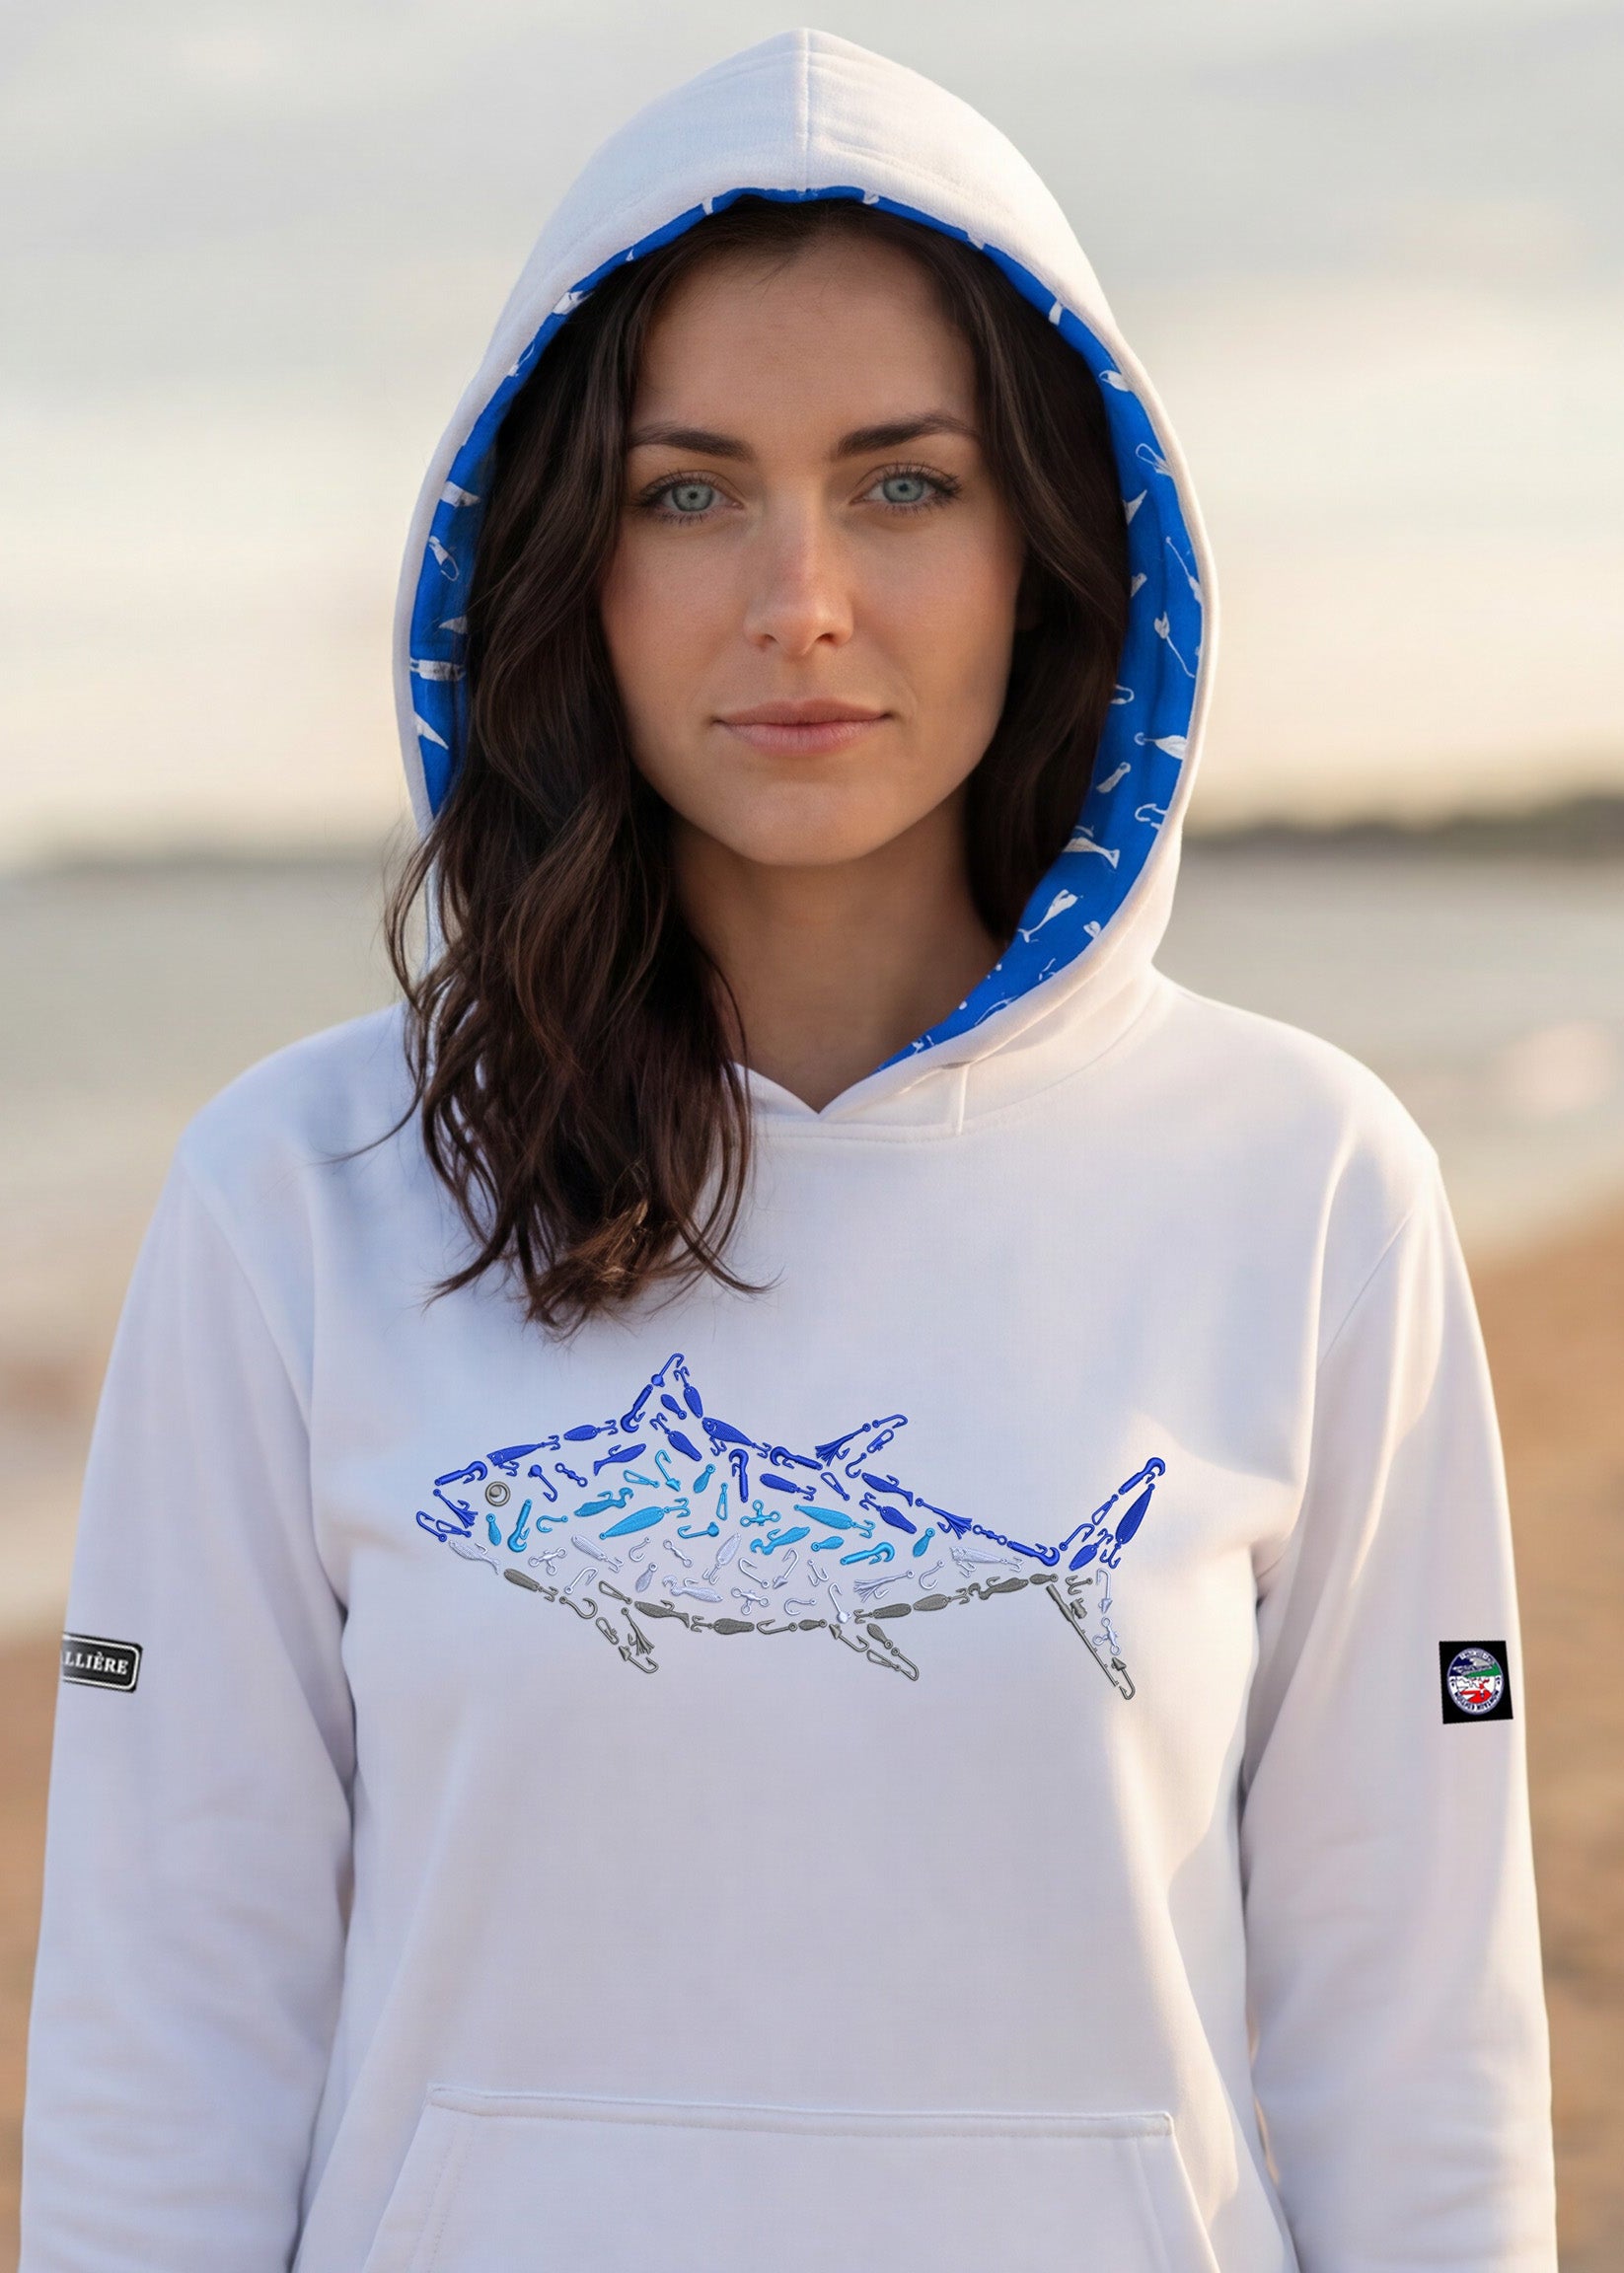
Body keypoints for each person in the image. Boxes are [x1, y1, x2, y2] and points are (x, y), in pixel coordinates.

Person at [22, 30, 1556, 2272]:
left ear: (1052, 543)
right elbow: (172, 2036)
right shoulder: (302, 1194)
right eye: (689, 488)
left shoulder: (1304, 1183)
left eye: (903, 484)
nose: (800, 599)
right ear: (566, 561)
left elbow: (1414, 2053)